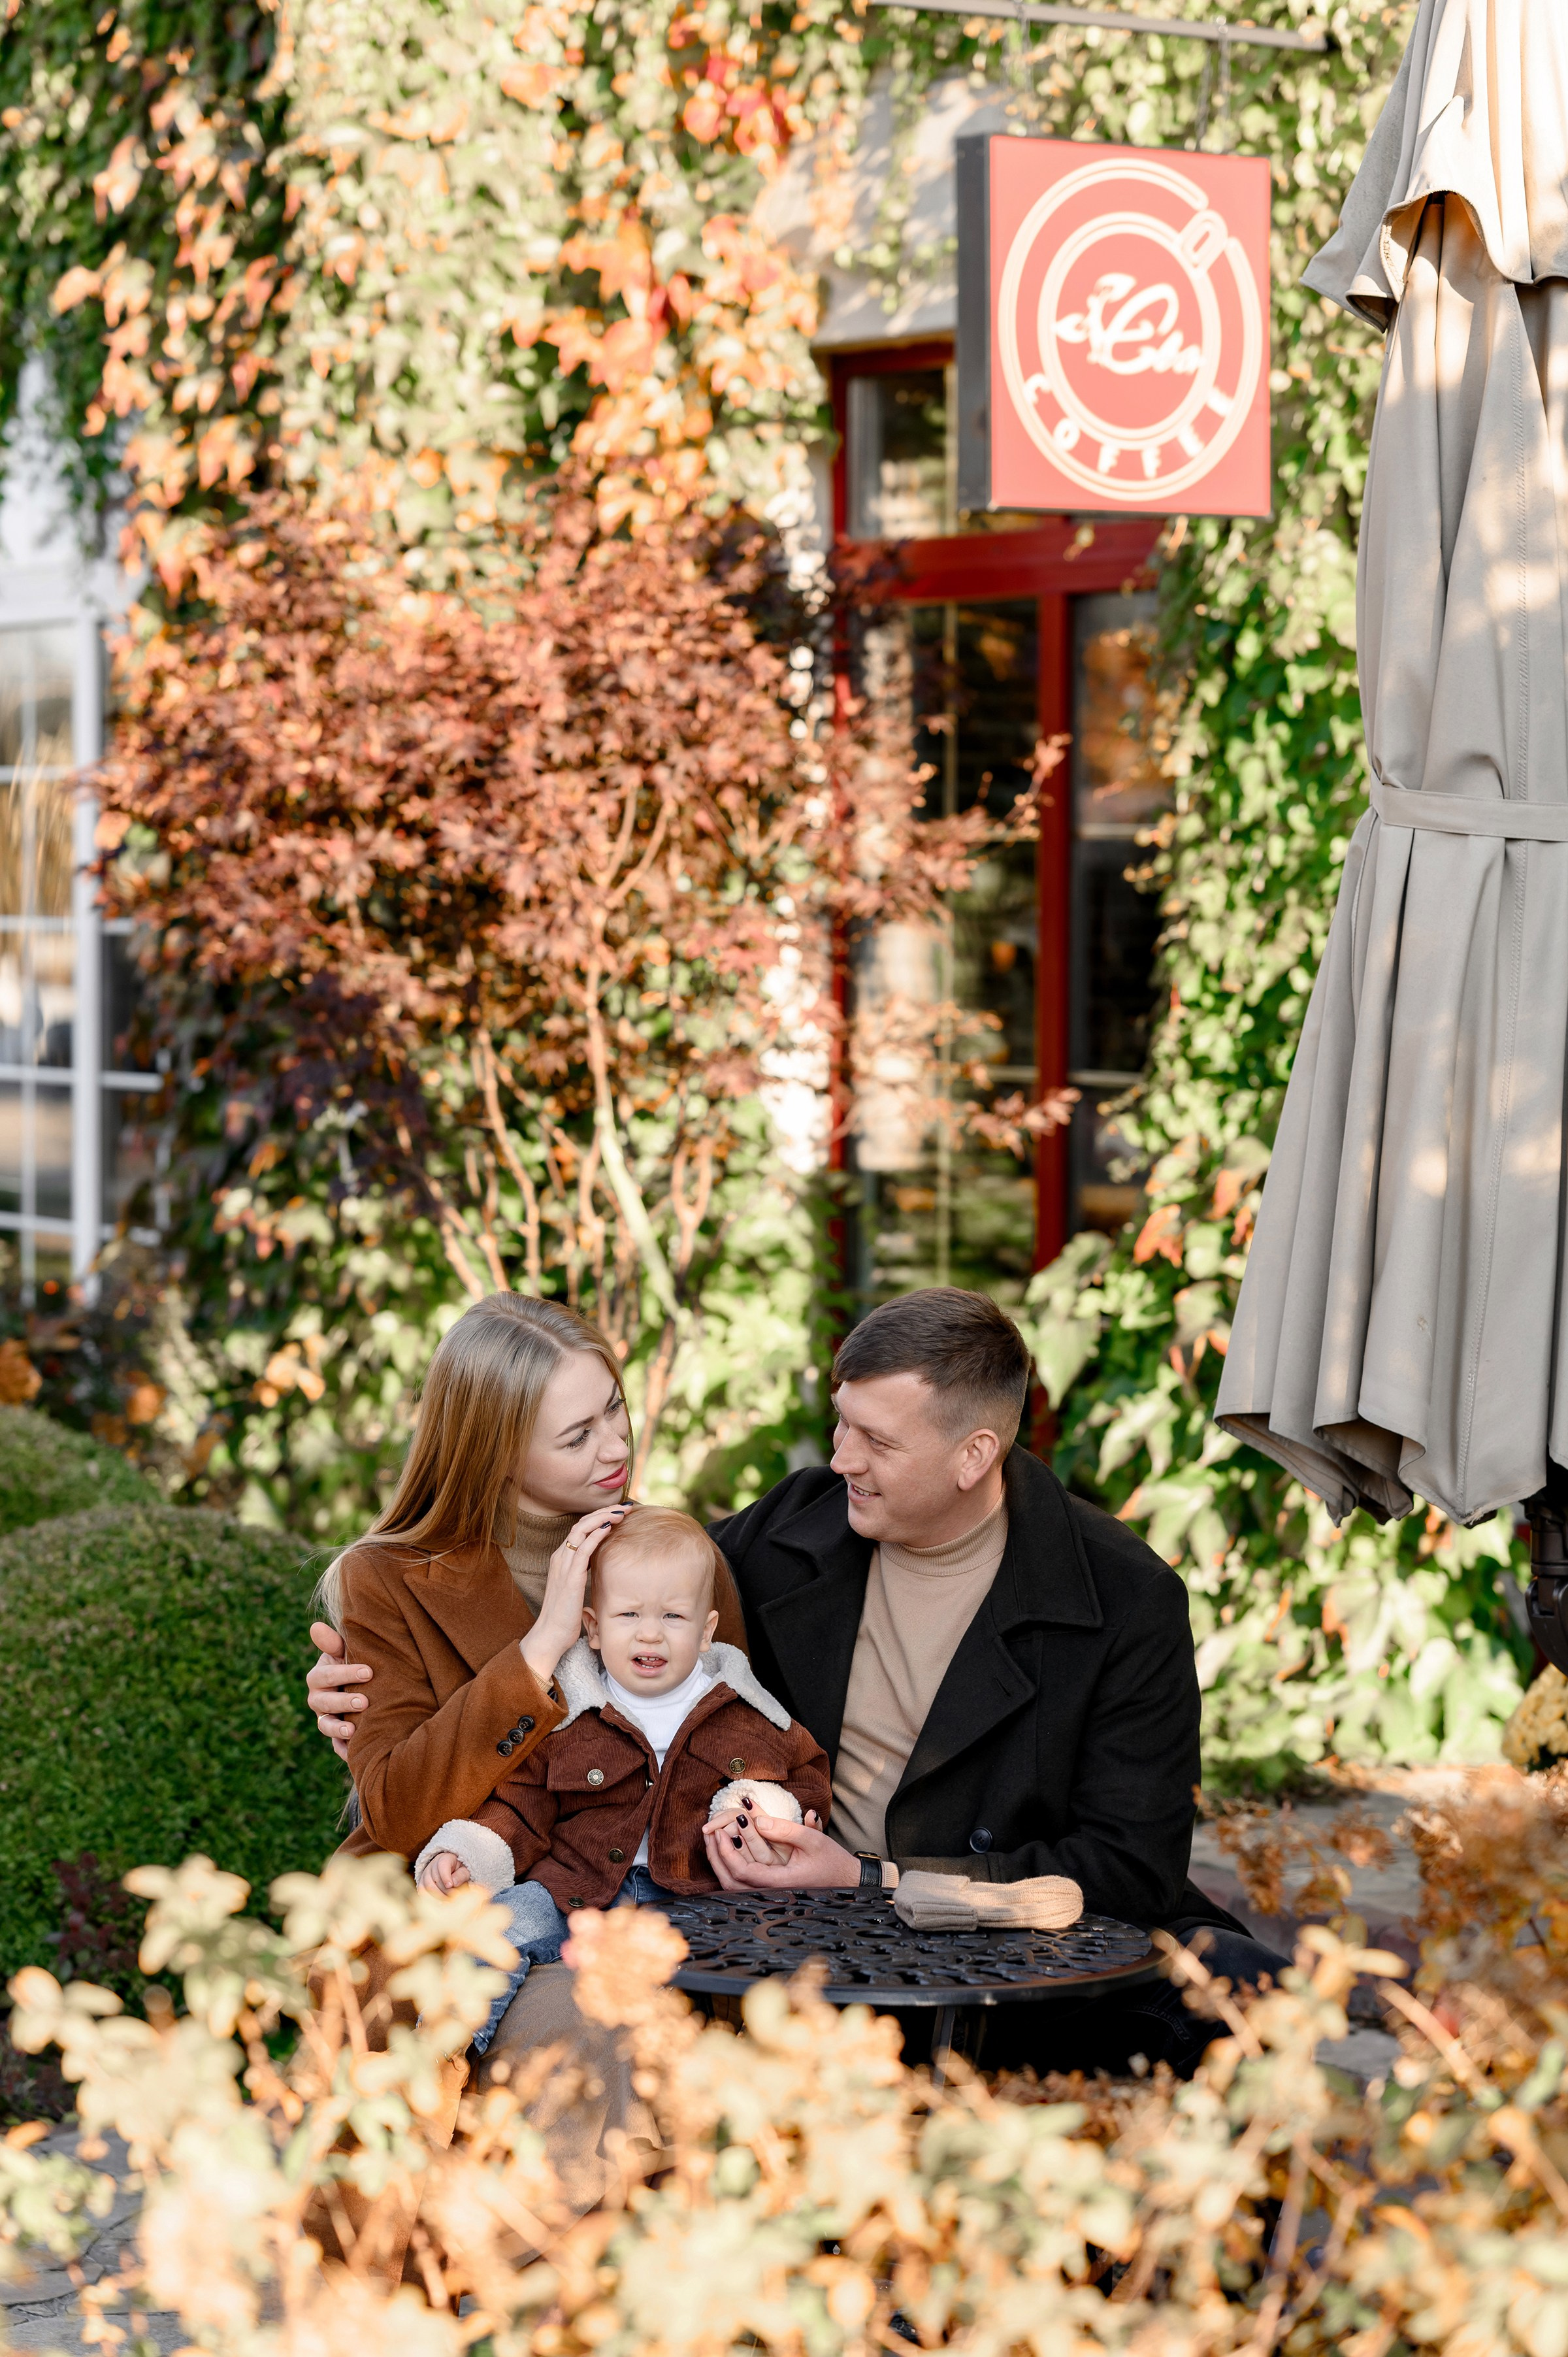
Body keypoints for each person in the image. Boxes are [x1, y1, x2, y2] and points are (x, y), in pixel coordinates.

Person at [310, 1286, 1284, 2079]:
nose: (836, 1458)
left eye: (875, 1441)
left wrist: (868, 1875)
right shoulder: (792, 1531)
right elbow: (414, 1775)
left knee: (1241, 1994)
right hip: (667, 1912)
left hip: (934, 1920)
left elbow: (1127, 1866)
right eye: (839, 1423)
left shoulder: (1121, 1599)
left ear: (974, 1453)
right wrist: (422, 1705)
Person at [413, 1504, 832, 2057]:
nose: (651, 1634)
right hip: (574, 1893)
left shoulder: (743, 1711)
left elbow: (808, 1772)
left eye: (674, 1618)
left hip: (693, 1901)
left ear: (706, 1631)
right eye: (629, 1615)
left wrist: (773, 1809)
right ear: (592, 1627)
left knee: (757, 1969)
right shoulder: (571, 1712)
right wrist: (473, 1852)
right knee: (495, 1930)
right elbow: (523, 1802)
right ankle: (438, 2062)